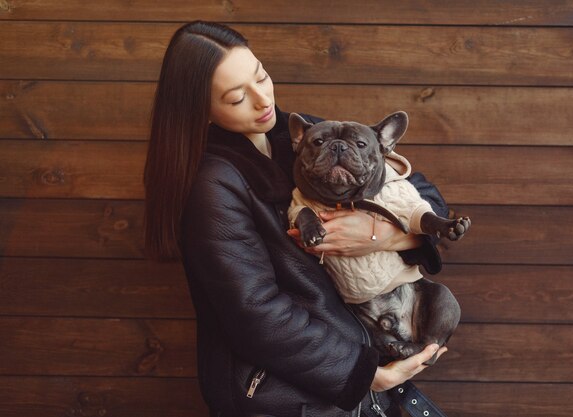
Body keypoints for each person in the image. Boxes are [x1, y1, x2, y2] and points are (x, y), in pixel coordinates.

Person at [143, 21, 449, 417]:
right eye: (237, 97)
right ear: (198, 109)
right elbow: (254, 312)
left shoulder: (309, 136)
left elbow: (422, 193)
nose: (262, 99)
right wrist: (364, 373)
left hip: (356, 373)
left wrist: (385, 235)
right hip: (287, 396)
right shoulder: (211, 186)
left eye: (261, 76)